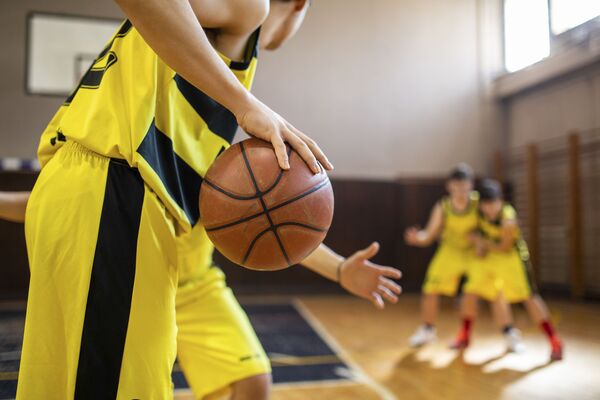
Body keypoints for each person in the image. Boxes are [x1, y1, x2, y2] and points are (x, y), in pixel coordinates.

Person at [16, 0, 402, 397]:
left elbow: (265, 219)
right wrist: (243, 103)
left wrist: (338, 269)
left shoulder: (198, 66)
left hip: (79, 191)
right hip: (116, 192)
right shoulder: (252, 8)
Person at [0, 190, 401, 399]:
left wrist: (339, 269)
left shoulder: (213, 159)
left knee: (253, 380)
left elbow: (274, 224)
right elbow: (43, 203)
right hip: (137, 293)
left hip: (197, 288)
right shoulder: (124, 153)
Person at [404, 164, 512, 348]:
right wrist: (417, 238)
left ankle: (509, 333)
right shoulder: (443, 206)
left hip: (474, 252)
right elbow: (428, 235)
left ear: (471, 186)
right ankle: (428, 330)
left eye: (465, 186)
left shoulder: (480, 203)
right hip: (450, 251)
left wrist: (482, 243)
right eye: (457, 186)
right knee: (430, 289)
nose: (461, 190)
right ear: (449, 186)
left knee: (495, 291)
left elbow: (495, 220)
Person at [460, 179, 563, 361]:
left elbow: (504, 247)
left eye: (494, 203)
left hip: (512, 258)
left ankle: (554, 341)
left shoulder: (508, 218)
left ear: (501, 200)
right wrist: (478, 244)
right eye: (486, 204)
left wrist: (480, 242)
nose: (490, 208)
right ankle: (476, 336)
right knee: (475, 292)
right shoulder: (476, 208)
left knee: (529, 298)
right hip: (491, 258)